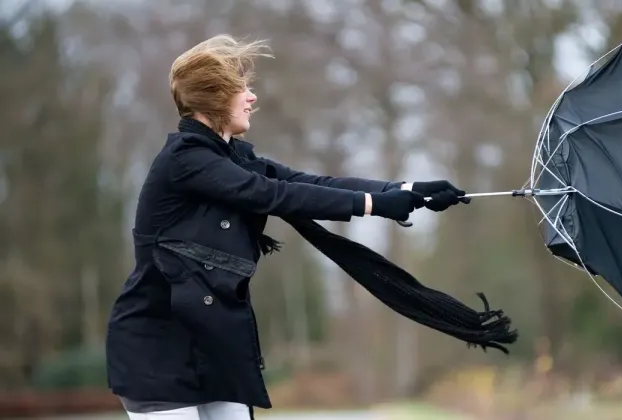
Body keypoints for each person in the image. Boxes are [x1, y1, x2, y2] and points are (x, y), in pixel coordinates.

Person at [105, 34, 472, 420]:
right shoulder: (185, 160)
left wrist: (406, 190)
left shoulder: (234, 158)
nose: (252, 98)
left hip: (214, 349)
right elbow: (271, 194)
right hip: (160, 351)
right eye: (241, 89)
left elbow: (309, 184)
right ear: (215, 96)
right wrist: (374, 204)